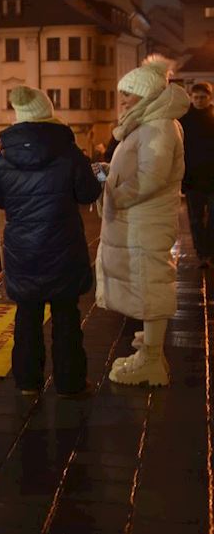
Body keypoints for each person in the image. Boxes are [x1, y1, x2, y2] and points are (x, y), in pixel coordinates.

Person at [0, 85, 102, 397]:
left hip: (23, 248)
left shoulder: (2, 157)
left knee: (27, 315)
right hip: (63, 245)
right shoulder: (69, 152)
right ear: (48, 113)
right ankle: (70, 383)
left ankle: (28, 383)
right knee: (66, 316)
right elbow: (88, 194)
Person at [96, 57, 189, 386]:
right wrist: (108, 174)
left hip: (145, 222)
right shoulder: (147, 123)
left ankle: (151, 361)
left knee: (150, 285)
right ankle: (150, 351)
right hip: (138, 221)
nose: (122, 100)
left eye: (129, 93)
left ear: (147, 94)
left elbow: (152, 177)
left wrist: (117, 196)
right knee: (145, 283)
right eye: (121, 93)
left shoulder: (158, 126)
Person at [180, 82, 214, 269]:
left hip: (212, 177)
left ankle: (209, 251)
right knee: (195, 219)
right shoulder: (184, 120)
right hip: (193, 178)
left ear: (210, 98)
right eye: (196, 97)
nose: (199, 101)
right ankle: (203, 253)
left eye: (203, 97)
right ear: (191, 98)